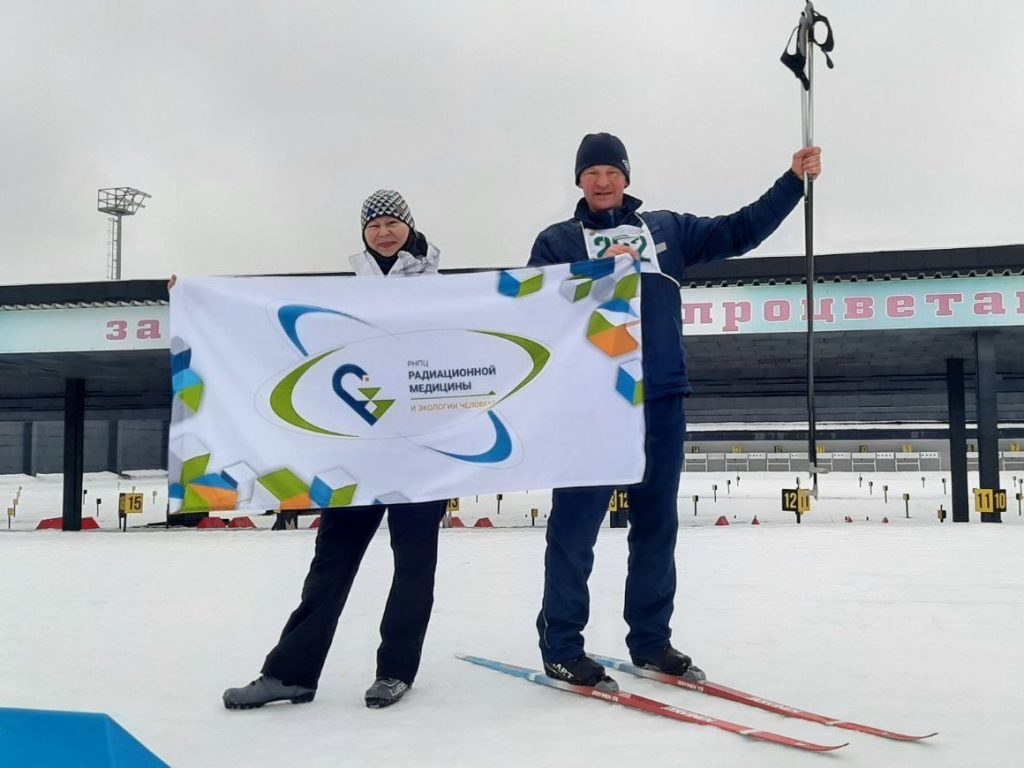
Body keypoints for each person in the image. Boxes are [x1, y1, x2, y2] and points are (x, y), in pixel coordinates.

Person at [529, 133, 822, 691]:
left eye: (611, 170)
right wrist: (595, 279)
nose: (602, 181)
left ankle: (650, 641)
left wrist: (791, 183)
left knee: (657, 524)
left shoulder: (665, 229)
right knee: (575, 527)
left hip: (661, 396)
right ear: (578, 181)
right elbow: (537, 308)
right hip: (593, 403)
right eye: (590, 172)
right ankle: (562, 645)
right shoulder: (558, 240)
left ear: (626, 176)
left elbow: (740, 229)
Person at [223, 190, 447, 710]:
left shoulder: (443, 291)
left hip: (422, 453)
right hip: (359, 451)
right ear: (363, 236)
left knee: (413, 565)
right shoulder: (344, 293)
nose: (384, 232)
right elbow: (272, 321)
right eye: (374, 225)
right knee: (331, 561)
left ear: (410, 229)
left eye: (393, 222)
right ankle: (291, 674)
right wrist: (195, 296)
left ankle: (396, 670)